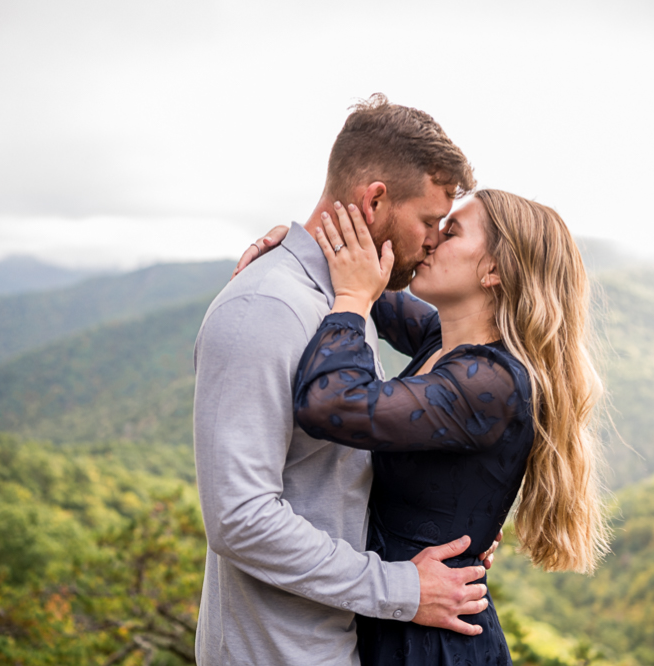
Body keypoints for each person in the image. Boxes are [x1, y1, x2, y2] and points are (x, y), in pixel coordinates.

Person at [240, 190, 609, 664]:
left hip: (432, 643)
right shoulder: (447, 338)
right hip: (399, 609)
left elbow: (331, 402)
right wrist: (302, 246)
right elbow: (366, 271)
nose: (431, 241)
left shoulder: (490, 384)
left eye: (450, 231)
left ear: (494, 270)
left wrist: (352, 300)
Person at [193, 94, 497, 666]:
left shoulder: (348, 299)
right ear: (375, 199)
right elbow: (238, 518)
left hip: (338, 644)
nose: (433, 241)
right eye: (429, 222)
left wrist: (457, 515)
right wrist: (401, 588)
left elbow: (341, 474)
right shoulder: (268, 307)